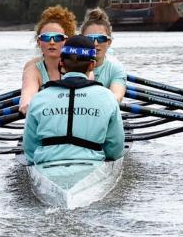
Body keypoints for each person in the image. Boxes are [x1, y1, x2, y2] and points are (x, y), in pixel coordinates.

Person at [22, 35, 125, 165]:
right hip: (92, 165)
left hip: (46, 165)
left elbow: (30, 149)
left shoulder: (39, 98)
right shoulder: (108, 97)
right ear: (92, 65)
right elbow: (115, 150)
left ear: (62, 63)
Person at [20, 5, 77, 113]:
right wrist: (27, 102)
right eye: (46, 37)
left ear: (67, 41)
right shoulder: (33, 68)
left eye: (57, 37)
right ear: (38, 42)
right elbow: (28, 91)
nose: (51, 42)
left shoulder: (80, 65)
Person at [80, 8, 126, 103]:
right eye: (90, 39)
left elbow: (117, 97)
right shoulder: (69, 64)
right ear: (81, 41)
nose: (95, 43)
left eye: (101, 39)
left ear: (109, 42)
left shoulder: (115, 68)